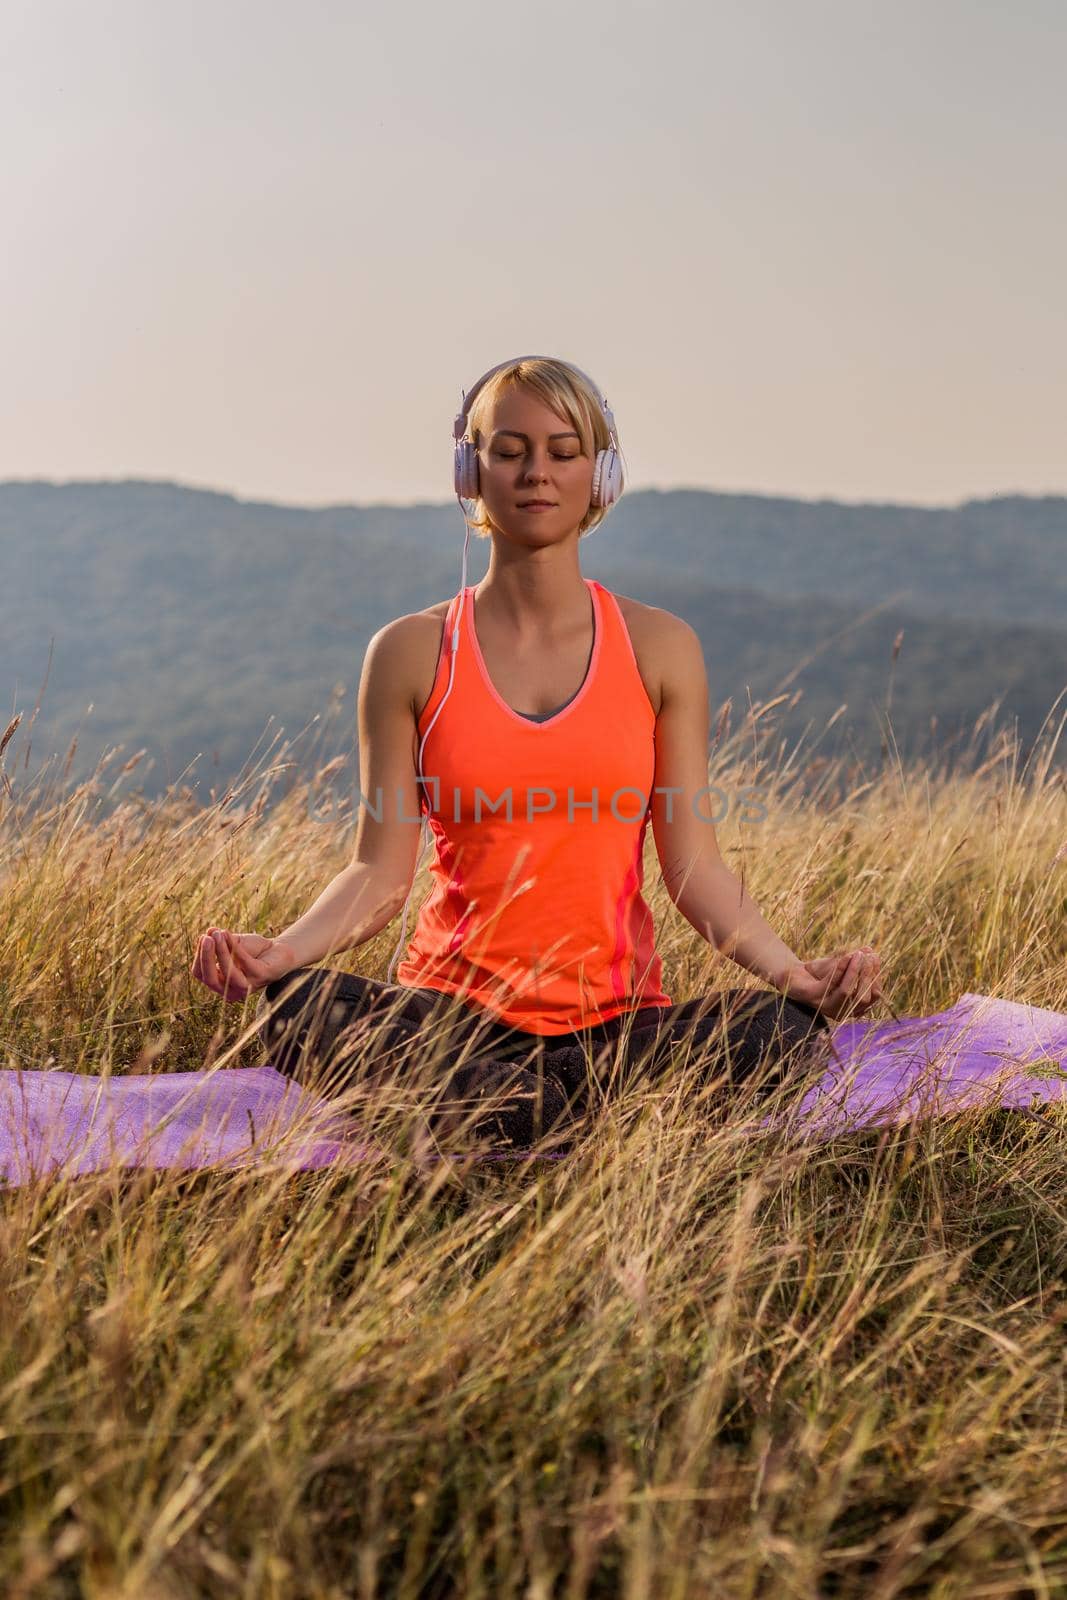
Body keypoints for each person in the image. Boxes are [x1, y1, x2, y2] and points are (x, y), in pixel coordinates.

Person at [191, 356, 884, 1151]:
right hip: (451, 1025)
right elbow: (377, 875)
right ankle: (571, 1130)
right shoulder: (410, 653)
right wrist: (278, 951)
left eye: (563, 451)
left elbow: (694, 871)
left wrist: (794, 976)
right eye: (509, 450)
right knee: (296, 1007)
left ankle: (511, 1125)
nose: (536, 473)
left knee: (783, 1031)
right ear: (470, 470)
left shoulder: (661, 648)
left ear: (601, 474)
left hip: (615, 1032)